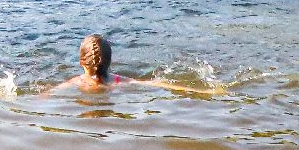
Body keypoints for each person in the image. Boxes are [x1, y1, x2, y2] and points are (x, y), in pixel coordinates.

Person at [45, 35, 205, 94]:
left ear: (81, 62)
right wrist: (197, 90)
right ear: (110, 61)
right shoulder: (119, 81)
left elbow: (49, 93)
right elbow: (156, 83)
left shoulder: (76, 82)